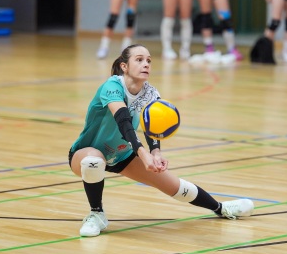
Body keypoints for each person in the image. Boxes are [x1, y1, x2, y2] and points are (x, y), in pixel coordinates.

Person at [69, 44, 254, 237]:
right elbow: (123, 121)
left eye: (148, 60)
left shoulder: (150, 93)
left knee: (175, 187)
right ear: (124, 66)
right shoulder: (112, 86)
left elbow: (153, 126)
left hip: (121, 155)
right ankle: (96, 214)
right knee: (93, 161)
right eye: (139, 60)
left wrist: (156, 152)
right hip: (86, 152)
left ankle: (221, 208)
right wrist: (143, 153)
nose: (146, 64)